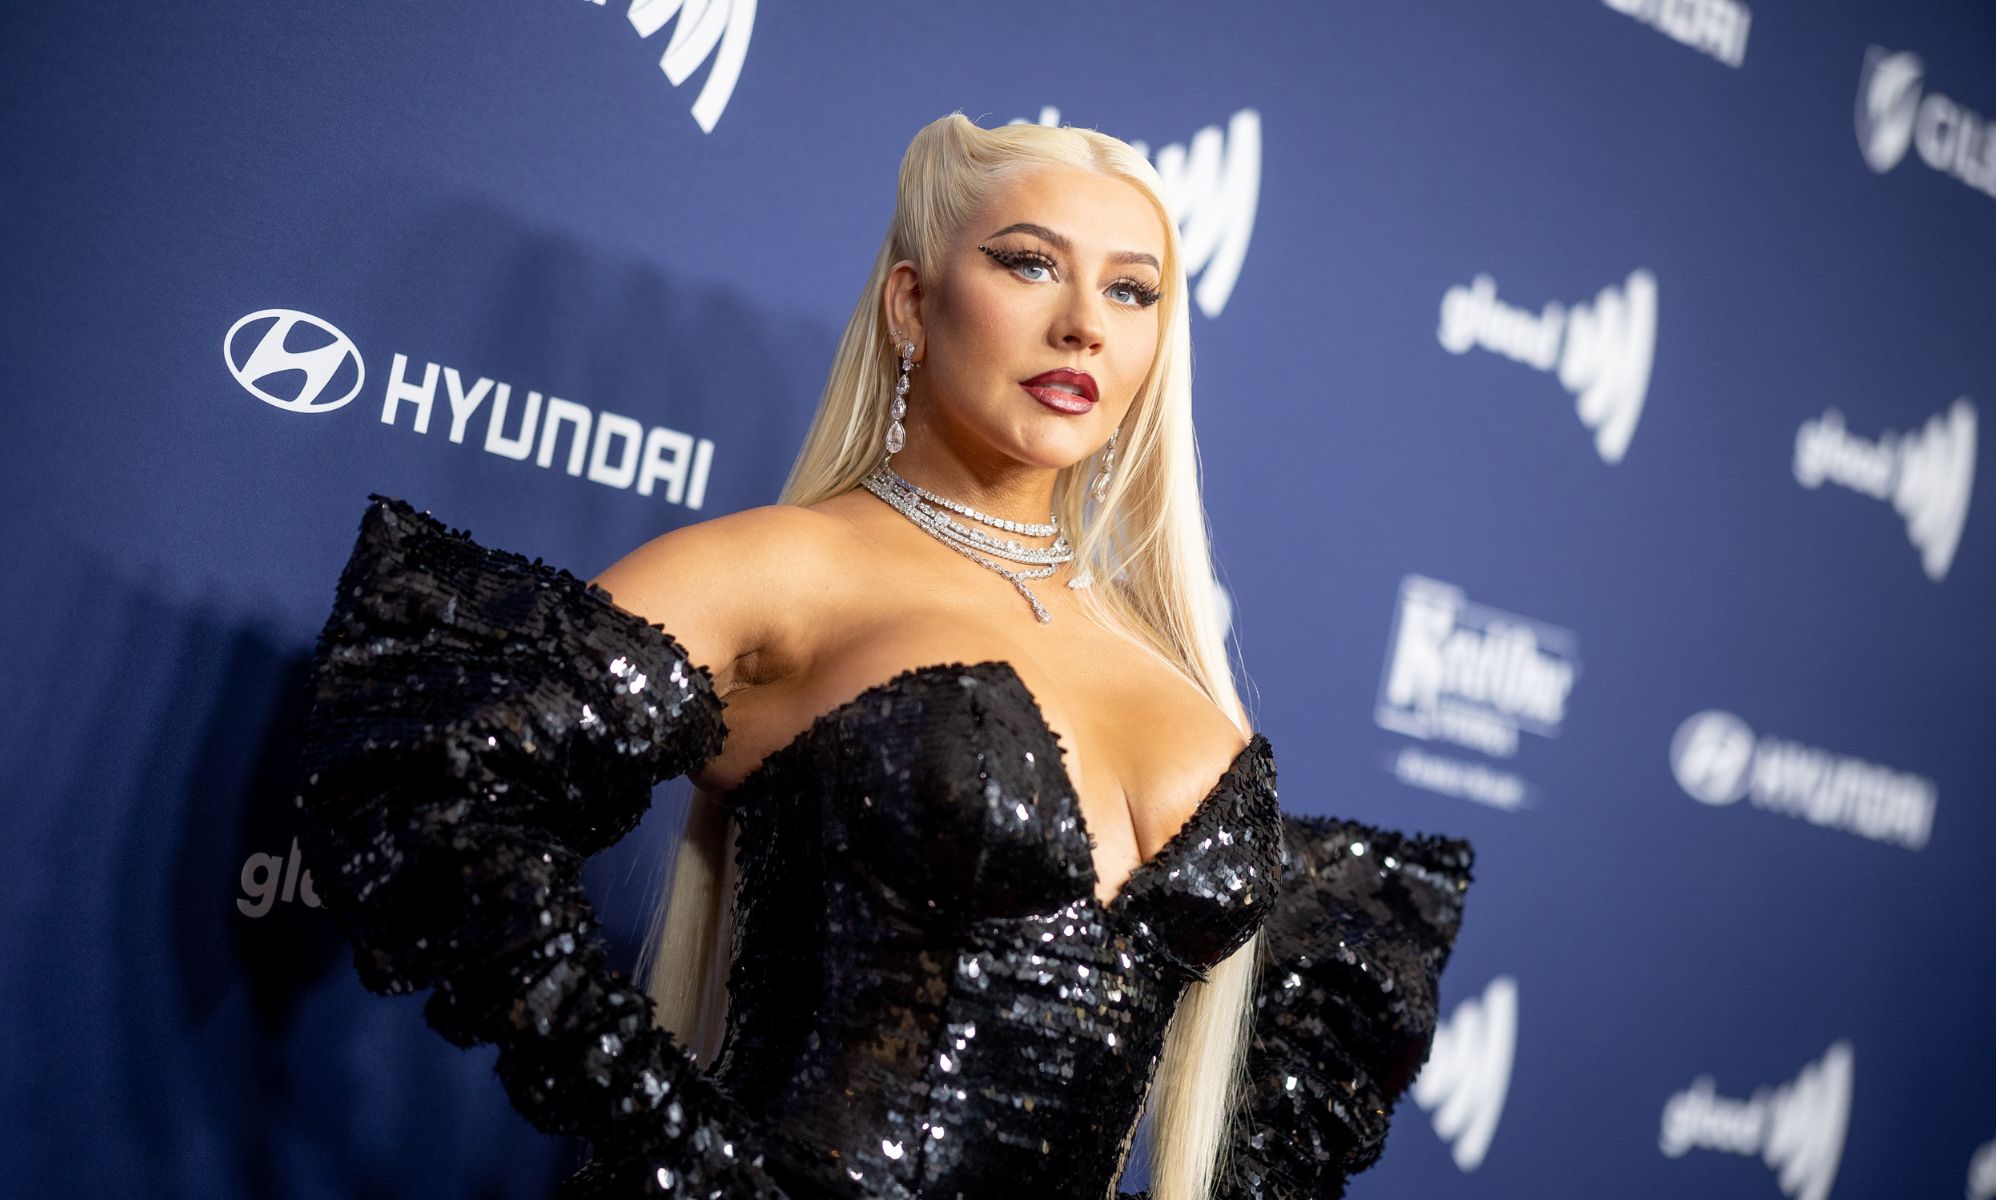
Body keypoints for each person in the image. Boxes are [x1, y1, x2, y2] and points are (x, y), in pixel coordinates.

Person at [296, 114, 1474, 1200]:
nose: (1083, 323)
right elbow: (440, 784)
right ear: (911, 305)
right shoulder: (787, 570)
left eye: (1132, 290)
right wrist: (680, 1147)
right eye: (1028, 263)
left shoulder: (1174, 666)